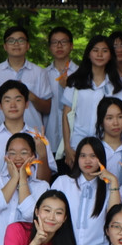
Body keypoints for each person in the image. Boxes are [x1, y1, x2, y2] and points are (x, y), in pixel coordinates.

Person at [0, 81, 55, 234]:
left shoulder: (39, 139)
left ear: (27, 104)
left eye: (18, 99)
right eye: (7, 100)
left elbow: (44, 181)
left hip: (29, 219)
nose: (13, 105)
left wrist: (42, 153)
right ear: (0, 105)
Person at [51, 137, 122, 245]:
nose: (87, 161)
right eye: (83, 156)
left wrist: (114, 181)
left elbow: (114, 218)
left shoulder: (109, 188)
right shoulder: (63, 182)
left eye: (93, 156)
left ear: (101, 158)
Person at [61, 36, 120, 168]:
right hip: (77, 144)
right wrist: (67, 147)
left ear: (111, 55)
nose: (100, 54)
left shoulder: (115, 85)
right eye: (95, 50)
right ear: (88, 54)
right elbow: (66, 116)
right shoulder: (75, 81)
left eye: (104, 51)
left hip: (105, 145)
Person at [0, 24, 53, 130]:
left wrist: (31, 96)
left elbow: (47, 108)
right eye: (11, 40)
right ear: (5, 46)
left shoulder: (39, 72)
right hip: (2, 132)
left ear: (28, 45)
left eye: (21, 40)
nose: (16, 44)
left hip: (32, 132)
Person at [42, 28, 75, 167]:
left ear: (71, 45)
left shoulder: (81, 73)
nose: (59, 46)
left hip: (75, 140)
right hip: (50, 138)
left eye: (63, 42)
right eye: (55, 42)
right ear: (50, 47)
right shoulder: (43, 74)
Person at [96, 96, 122, 187]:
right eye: (109, 118)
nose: (116, 123)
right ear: (101, 121)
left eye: (120, 117)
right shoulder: (93, 149)